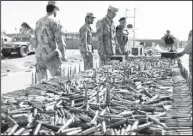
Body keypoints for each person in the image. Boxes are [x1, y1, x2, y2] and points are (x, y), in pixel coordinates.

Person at [31, 1, 66, 82]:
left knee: (41, 83)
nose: (56, 12)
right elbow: (60, 40)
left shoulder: (38, 22)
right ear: (54, 9)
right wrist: (63, 55)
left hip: (39, 57)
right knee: (59, 81)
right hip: (50, 56)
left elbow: (34, 39)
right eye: (56, 10)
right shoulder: (55, 22)